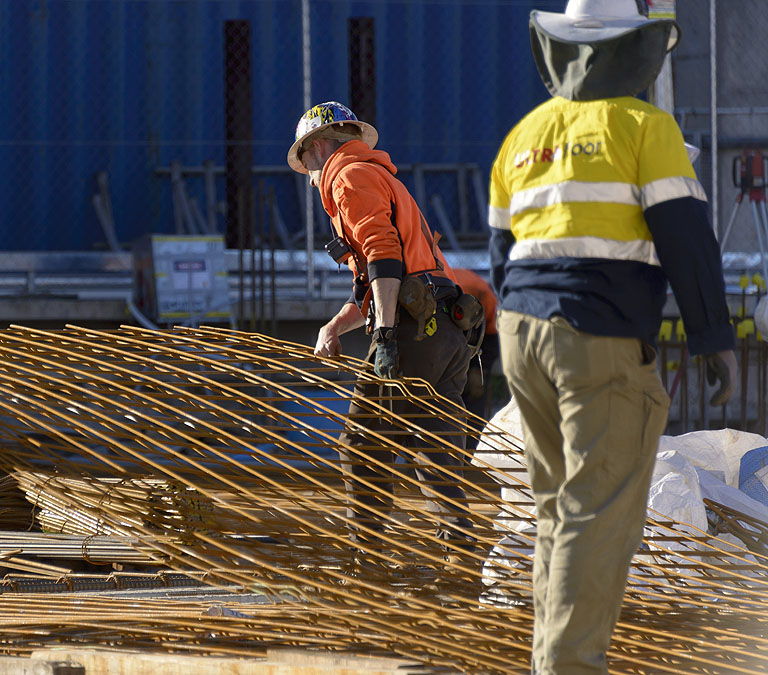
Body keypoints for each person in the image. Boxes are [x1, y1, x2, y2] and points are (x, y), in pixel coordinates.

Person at [488, 2, 737, 672]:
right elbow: (686, 239)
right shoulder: (644, 126)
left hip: (523, 337)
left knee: (554, 510)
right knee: (596, 519)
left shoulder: (525, 134)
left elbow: (501, 253)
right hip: (593, 338)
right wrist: (713, 336)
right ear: (637, 54)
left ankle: (549, 658)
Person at [293, 101, 477, 547]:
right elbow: (388, 276)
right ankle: (461, 552)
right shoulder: (381, 177)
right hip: (446, 331)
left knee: (363, 445)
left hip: (414, 331)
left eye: (306, 165)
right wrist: (336, 325)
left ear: (318, 147)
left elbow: (383, 258)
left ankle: (367, 559)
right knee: (434, 447)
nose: (311, 178)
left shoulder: (348, 176)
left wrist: (386, 335)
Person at [450, 268, 500, 426]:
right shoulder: (437, 291)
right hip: (445, 345)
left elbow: (492, 335)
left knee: (475, 393)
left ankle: (471, 446)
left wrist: (480, 370)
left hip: (476, 347)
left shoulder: (483, 294)